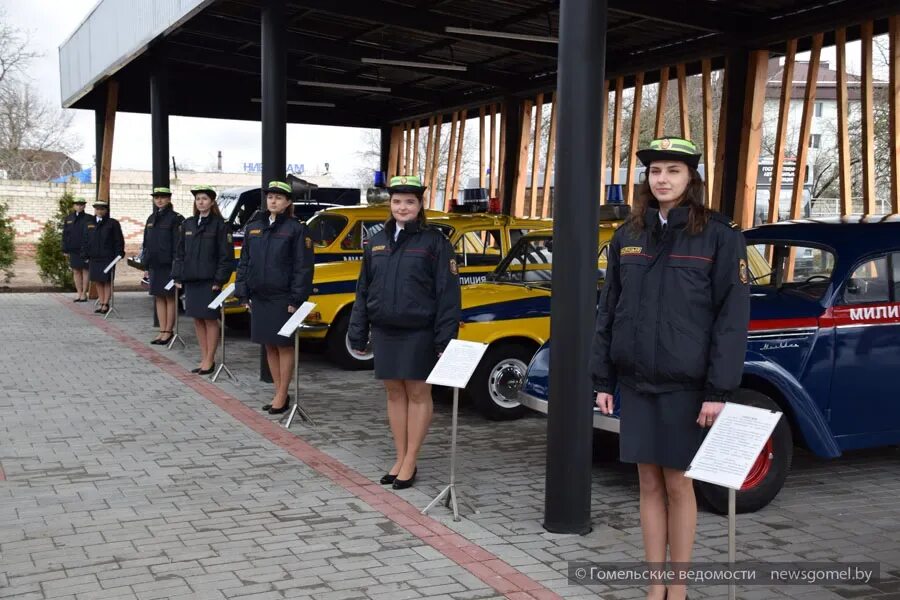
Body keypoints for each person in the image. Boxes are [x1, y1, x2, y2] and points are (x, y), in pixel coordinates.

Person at [590, 137, 750, 600]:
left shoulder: (718, 235)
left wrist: (719, 390)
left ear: (691, 179)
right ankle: (653, 583)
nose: (662, 179)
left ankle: (677, 587)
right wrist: (603, 379)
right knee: (646, 481)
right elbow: (610, 310)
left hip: (687, 387)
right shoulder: (629, 235)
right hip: (637, 382)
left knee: (680, 484)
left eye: (673, 171)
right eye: (655, 171)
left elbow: (731, 320)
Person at [348, 175, 461, 490]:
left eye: (409, 202)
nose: (402, 207)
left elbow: (448, 295)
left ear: (420, 205)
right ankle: (399, 457)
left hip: (420, 332)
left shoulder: (435, 242)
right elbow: (363, 290)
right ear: (391, 204)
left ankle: (411, 460)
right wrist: (358, 332)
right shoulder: (375, 241)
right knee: (394, 393)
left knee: (417, 393)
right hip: (385, 331)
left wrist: (445, 340)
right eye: (397, 201)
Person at [234, 180, 314, 414]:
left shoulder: (296, 229)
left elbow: (304, 267)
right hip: (260, 296)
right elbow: (245, 262)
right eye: (270, 197)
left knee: (283, 345)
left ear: (288, 202)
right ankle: (279, 391)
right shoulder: (255, 228)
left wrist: (296, 299)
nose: (273, 201)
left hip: (283, 298)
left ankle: (281, 393)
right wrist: (242, 292)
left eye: (279, 197)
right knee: (269, 345)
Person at [172, 185, 234, 374]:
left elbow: (226, 256)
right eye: (198, 199)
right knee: (197, 319)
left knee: (210, 319)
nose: (201, 202)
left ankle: (210, 359)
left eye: (205, 199)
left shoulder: (220, 226)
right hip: (191, 279)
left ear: (212, 202)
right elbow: (179, 252)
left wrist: (219, 280)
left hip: (209, 281)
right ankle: (203, 356)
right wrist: (177, 275)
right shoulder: (188, 224)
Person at [142, 187, 184, 344]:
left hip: (169, 265)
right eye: (156, 197)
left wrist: (177, 266)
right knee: (158, 297)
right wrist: (145, 265)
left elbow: (179, 245)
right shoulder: (151, 218)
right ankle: (162, 330)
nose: (159, 200)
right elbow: (146, 242)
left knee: (170, 297)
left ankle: (168, 331)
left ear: (169, 199)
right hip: (154, 264)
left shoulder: (175, 218)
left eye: (163, 197)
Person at [82, 200, 125, 315]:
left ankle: (106, 303)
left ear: (106, 210)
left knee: (107, 280)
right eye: (97, 209)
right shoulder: (90, 223)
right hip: (94, 257)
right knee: (97, 280)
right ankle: (101, 302)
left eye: (102, 209)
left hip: (108, 257)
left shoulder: (112, 223)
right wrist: (85, 253)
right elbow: (86, 240)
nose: (99, 211)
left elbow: (118, 240)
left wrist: (119, 253)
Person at [62, 197, 90, 302]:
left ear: (84, 206)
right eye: (77, 204)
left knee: (85, 270)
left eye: (81, 204)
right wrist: (65, 249)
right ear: (74, 206)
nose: (79, 206)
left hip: (85, 249)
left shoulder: (89, 218)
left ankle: (84, 293)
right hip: (73, 249)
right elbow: (65, 234)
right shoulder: (69, 218)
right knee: (76, 271)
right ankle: (78, 293)